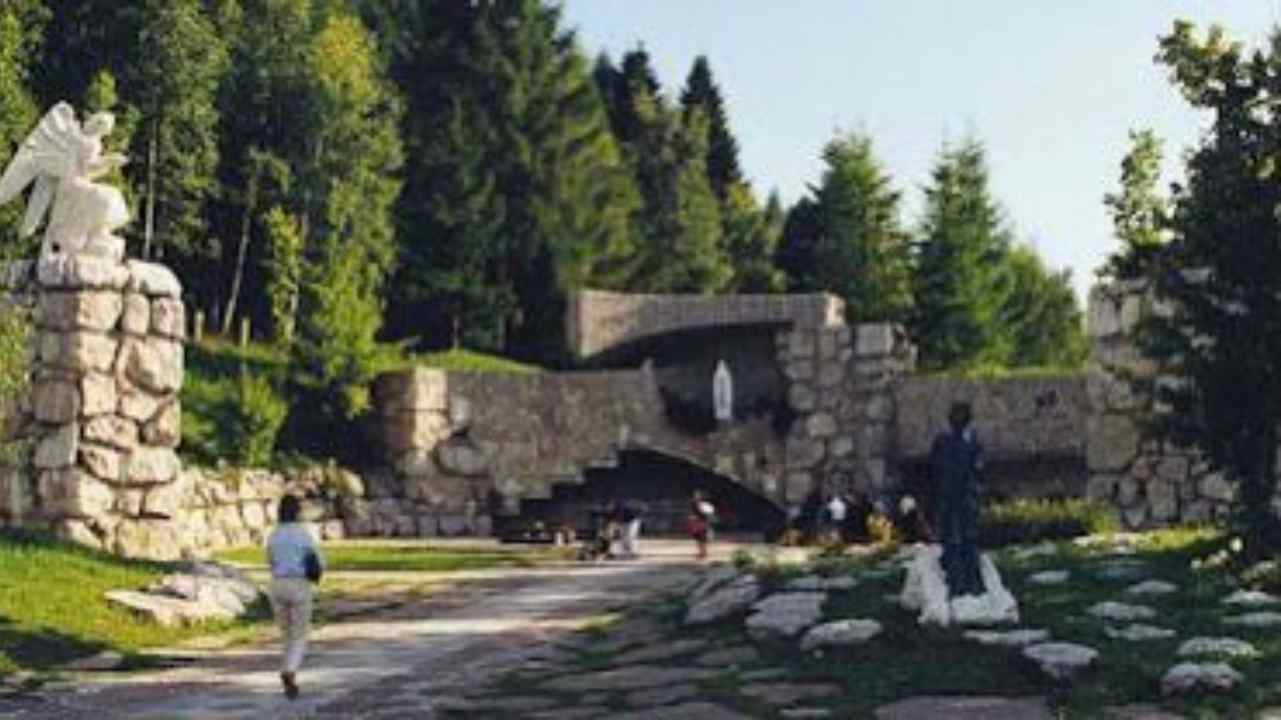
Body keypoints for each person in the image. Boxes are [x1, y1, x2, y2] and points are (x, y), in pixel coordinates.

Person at [266, 494, 324, 699]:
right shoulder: (304, 533)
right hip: (299, 584)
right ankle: (290, 670)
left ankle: (287, 666)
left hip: (277, 584)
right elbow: (317, 560)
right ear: (298, 511)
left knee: (286, 632)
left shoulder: (273, 534)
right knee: (300, 633)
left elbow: (270, 561)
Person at [929, 401, 985, 597]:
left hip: (963, 498)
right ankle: (957, 583)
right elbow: (935, 470)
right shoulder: (944, 441)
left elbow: (977, 470)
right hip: (950, 498)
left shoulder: (972, 442)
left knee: (967, 540)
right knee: (953, 540)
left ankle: (971, 583)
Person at [688, 490, 716, 560]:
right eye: (695, 496)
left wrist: (698, 517)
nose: (696, 497)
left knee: (702, 539)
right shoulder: (694, 504)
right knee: (699, 539)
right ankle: (702, 553)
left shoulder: (704, 505)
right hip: (698, 524)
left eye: (697, 496)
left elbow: (708, 515)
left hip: (702, 524)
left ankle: (703, 553)